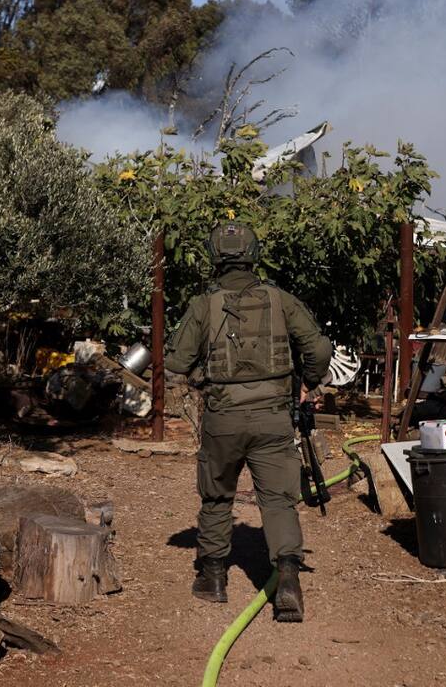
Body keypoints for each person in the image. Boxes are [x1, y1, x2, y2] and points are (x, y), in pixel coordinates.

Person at [165, 221, 332, 622]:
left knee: (217, 496)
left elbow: (176, 362)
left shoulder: (202, 304)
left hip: (222, 418)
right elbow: (319, 348)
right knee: (278, 500)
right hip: (274, 418)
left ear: (214, 256)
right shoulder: (281, 300)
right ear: (254, 254)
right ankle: (288, 578)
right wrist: (309, 382)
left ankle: (214, 579)